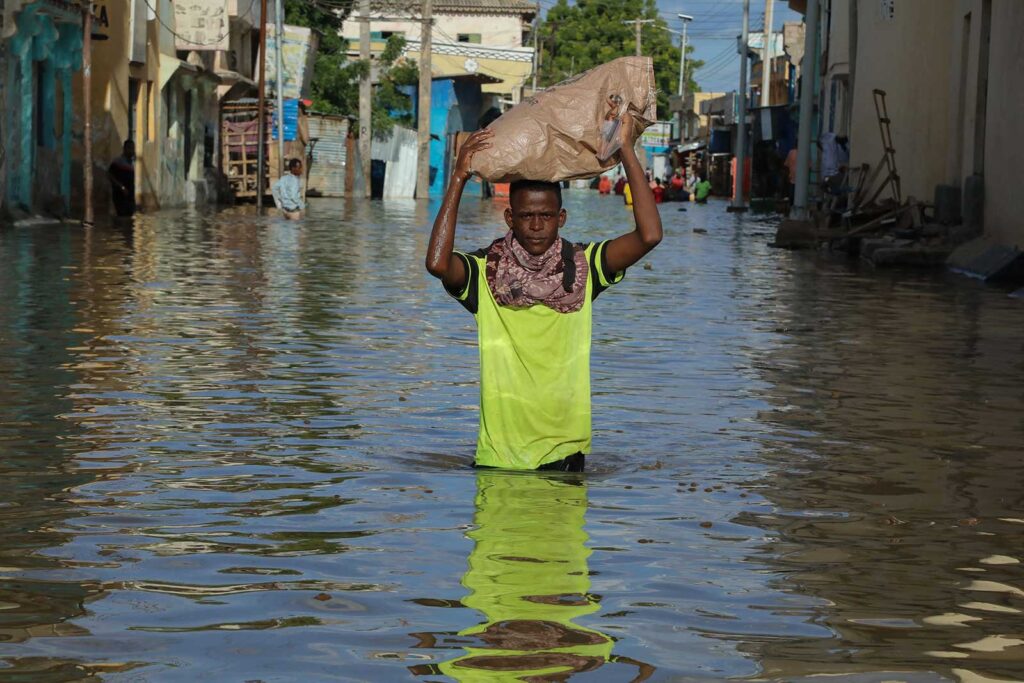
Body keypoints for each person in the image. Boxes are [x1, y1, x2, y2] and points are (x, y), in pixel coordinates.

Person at [425, 114, 662, 472]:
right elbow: (438, 264)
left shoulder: (584, 268)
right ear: (510, 218)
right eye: (527, 216)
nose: (536, 226)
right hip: (500, 459)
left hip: (565, 457)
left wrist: (625, 149)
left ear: (561, 218)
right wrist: (459, 177)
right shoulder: (484, 272)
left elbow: (649, 236)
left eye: (546, 216)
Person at [108, 140, 136, 217]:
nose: (132, 151)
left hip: (130, 198)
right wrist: (121, 187)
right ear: (125, 149)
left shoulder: (131, 164)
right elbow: (110, 175)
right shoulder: (117, 162)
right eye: (130, 148)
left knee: (129, 219)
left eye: (133, 148)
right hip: (120, 197)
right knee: (122, 217)